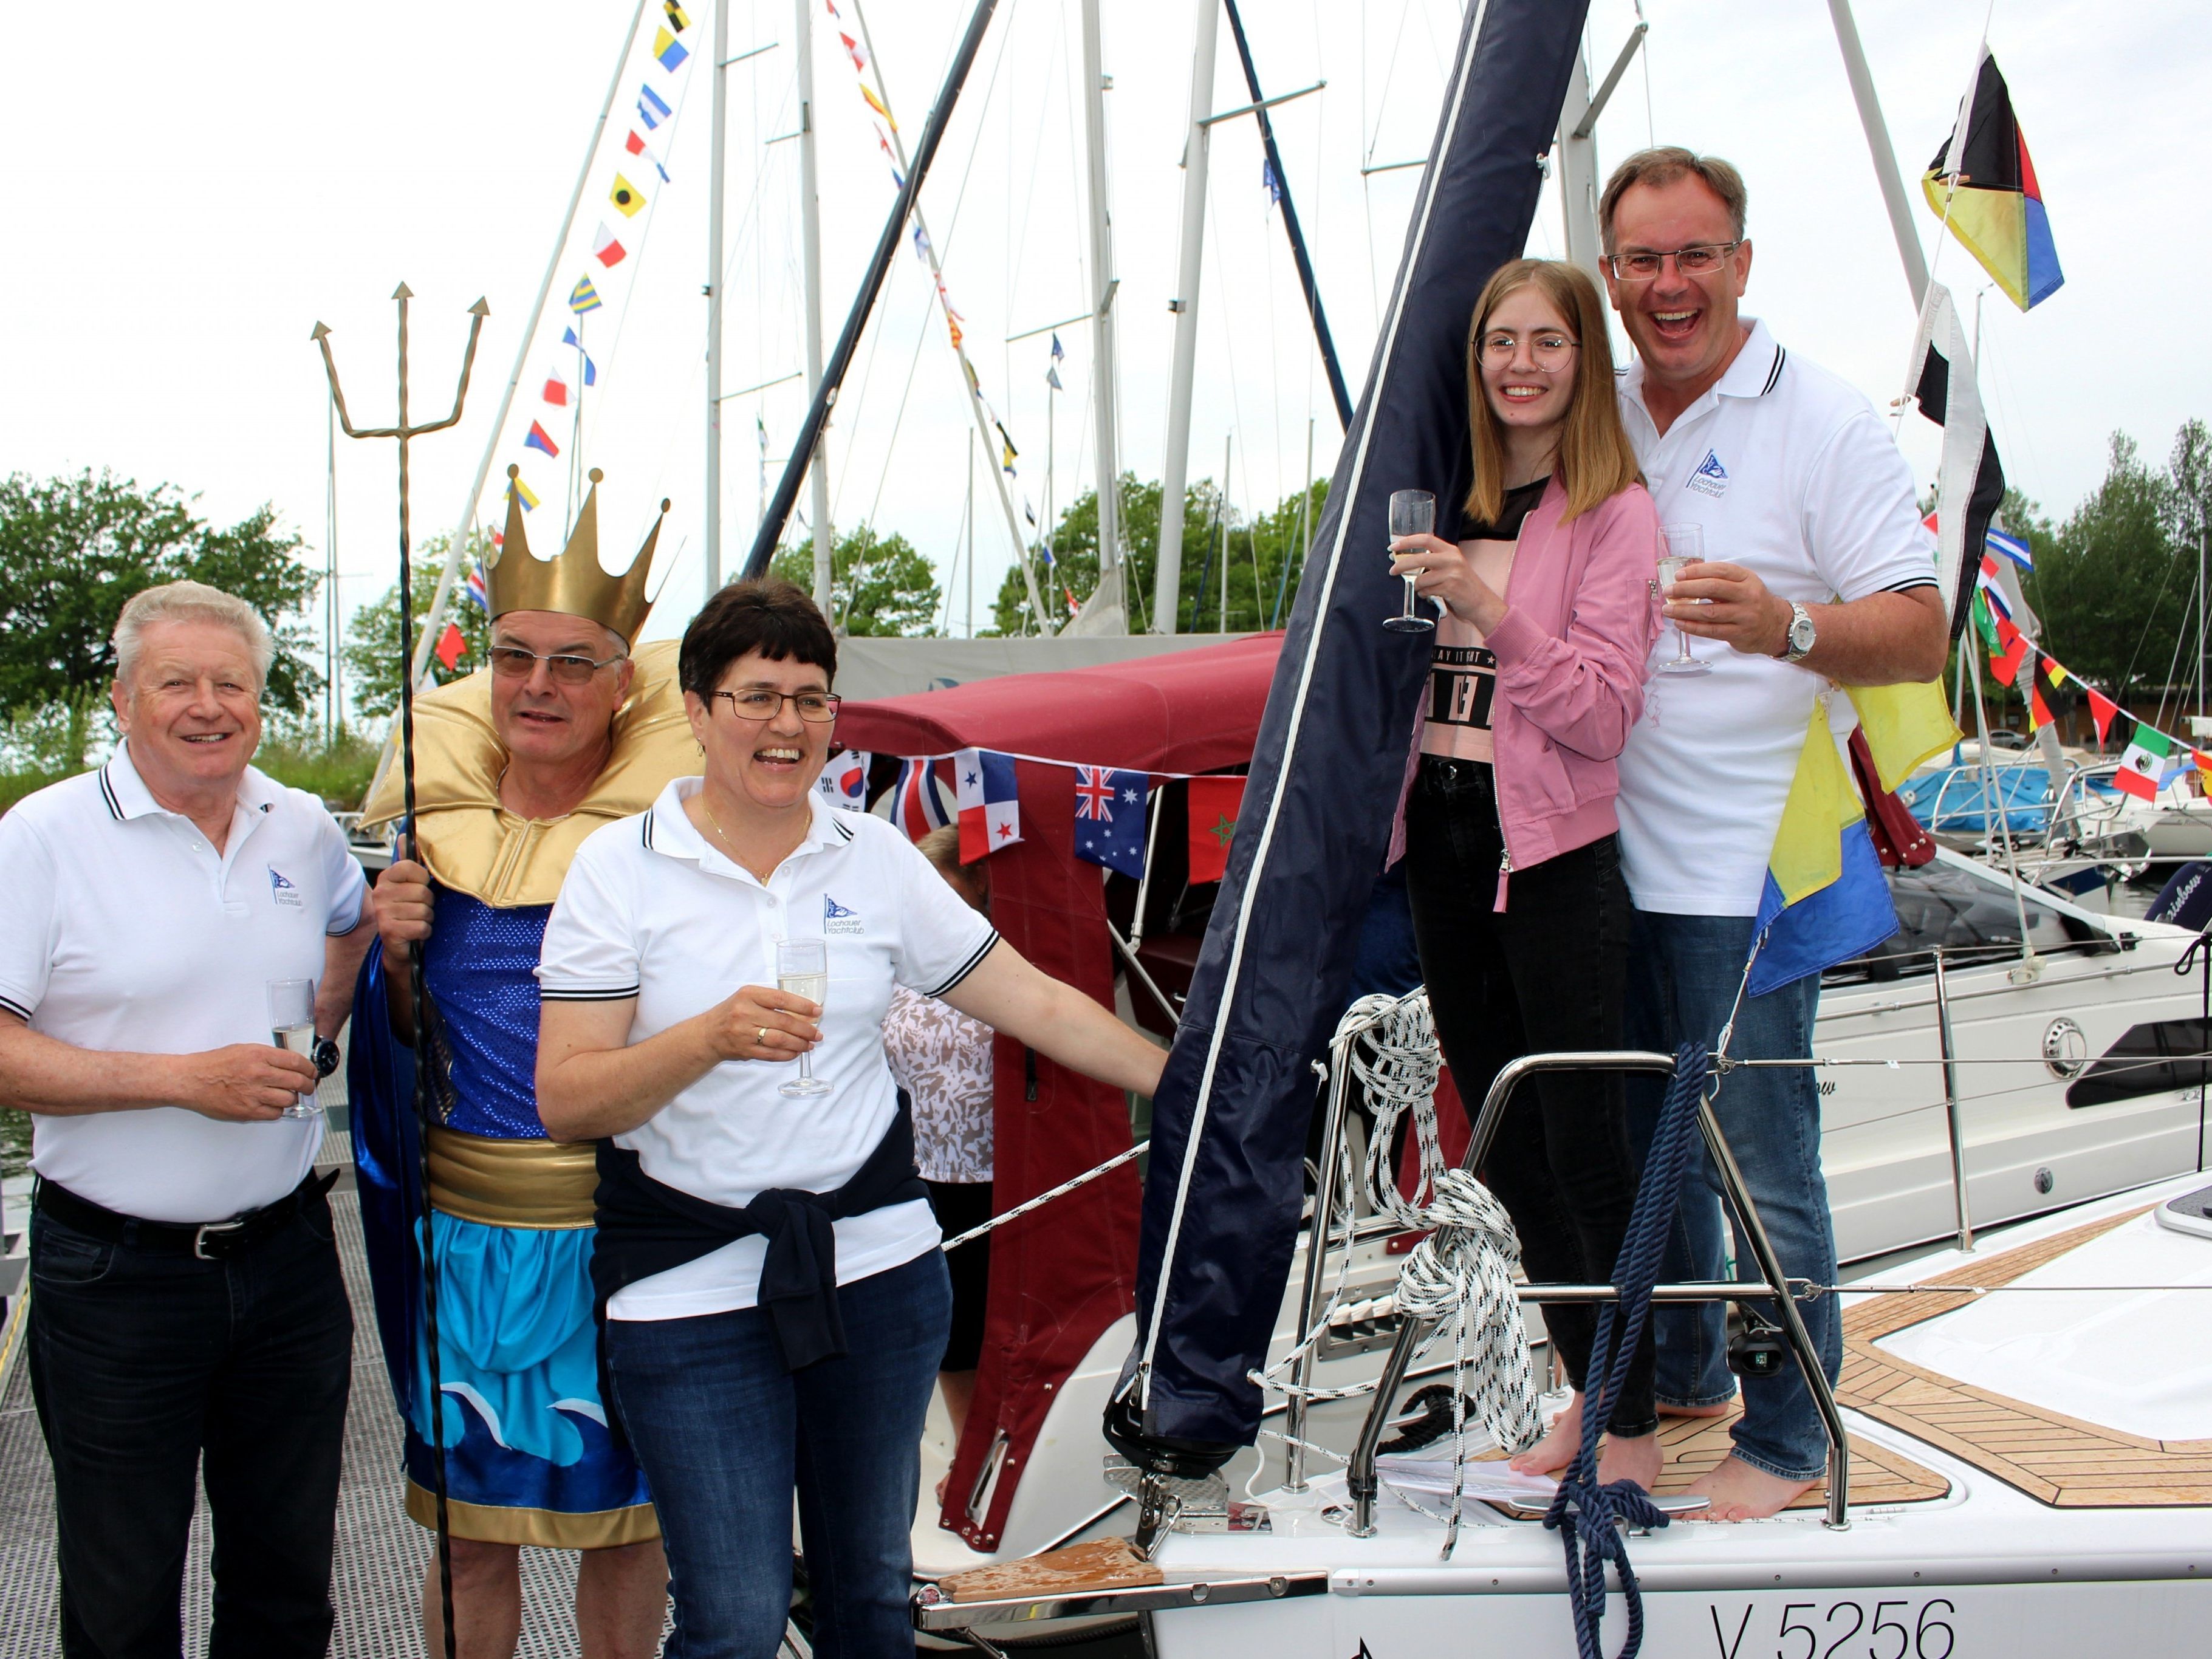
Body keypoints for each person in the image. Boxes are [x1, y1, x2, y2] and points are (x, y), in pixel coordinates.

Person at [534, 580, 1168, 1658]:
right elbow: (567, 1097)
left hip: (878, 1273)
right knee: (732, 1620)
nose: (788, 726)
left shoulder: (871, 855)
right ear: (696, 707)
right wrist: (707, 1037)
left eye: (812, 699)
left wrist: (1197, 1084)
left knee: (871, 1598)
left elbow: (1037, 1002)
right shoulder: (616, 869)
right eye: (759, 697)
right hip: (688, 1286)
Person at [1599, 148, 1948, 1519]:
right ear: (1611, 272)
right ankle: (1677, 1376)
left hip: (1753, 857)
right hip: (1605, 854)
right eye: (1640, 260)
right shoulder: (1598, 412)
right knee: (1635, 1141)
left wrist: (1787, 626)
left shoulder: (1823, 422)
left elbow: (1916, 628)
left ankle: (1794, 1436)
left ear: (1740, 260)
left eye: (1692, 256)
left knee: (1758, 1152)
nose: (1667, 285)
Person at [0, 581, 372, 1657]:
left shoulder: (300, 825)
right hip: (119, 1280)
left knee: (287, 1586)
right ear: (124, 697)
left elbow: (353, 924)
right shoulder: (43, 837)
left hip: (290, 1261)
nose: (208, 705)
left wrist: (322, 1038)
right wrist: (178, 1079)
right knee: (121, 1605)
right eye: (177, 682)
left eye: (233, 683)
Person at [350, 470, 687, 1658]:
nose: (537, 686)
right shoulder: (423, 831)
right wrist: (391, 961)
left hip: (621, 1231)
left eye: (571, 662)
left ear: (622, 682)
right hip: (466, 1232)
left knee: (629, 1530)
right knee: (465, 1532)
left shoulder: (668, 848)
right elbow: (397, 1047)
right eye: (513, 657)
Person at [1388, 257, 1663, 1488]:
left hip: (1547, 853)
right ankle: (1582, 1392)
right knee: (1501, 1147)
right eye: (1500, 340)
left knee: (1582, 1144)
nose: (1518, 363)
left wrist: (1483, 607)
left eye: (1545, 341)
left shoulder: (1612, 513)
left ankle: (1634, 1428)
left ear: (1581, 362)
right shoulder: (1443, 496)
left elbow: (1599, 715)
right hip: (1437, 842)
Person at [882, 825, 996, 1491]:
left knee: (995, 1318)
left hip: (1007, 1173)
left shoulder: (1004, 959)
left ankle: (1005, 1451)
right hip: (922, 1170)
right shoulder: (897, 961)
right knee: (950, 1329)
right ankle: (968, 1451)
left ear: (978, 886)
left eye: (944, 884)